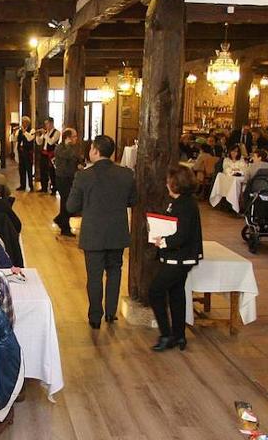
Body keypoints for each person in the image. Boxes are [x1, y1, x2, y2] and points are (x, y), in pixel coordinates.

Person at [67, 134, 136, 329]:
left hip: (93, 233)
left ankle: (95, 317)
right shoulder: (126, 174)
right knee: (115, 272)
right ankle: (111, 313)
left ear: (95, 151)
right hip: (117, 231)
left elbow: (71, 206)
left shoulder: (84, 175)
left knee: (94, 276)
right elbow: (133, 200)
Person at [148, 166, 202, 352]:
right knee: (176, 294)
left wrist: (162, 242)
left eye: (169, 181)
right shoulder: (179, 202)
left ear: (176, 184)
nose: (166, 184)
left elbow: (182, 235)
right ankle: (179, 335)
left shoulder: (185, 205)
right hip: (177, 257)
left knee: (155, 291)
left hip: (180, 257)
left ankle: (166, 334)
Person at [53, 128, 82, 237]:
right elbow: (68, 155)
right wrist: (69, 145)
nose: (76, 139)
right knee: (66, 202)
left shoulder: (72, 148)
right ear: (68, 138)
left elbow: (77, 158)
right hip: (62, 178)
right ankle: (64, 228)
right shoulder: (60, 148)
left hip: (70, 178)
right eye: (74, 136)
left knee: (68, 202)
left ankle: (60, 219)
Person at [36, 117, 60, 194]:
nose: (46, 125)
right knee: (43, 171)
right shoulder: (46, 133)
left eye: (47, 123)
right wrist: (37, 136)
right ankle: (44, 188)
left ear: (52, 123)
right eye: (45, 124)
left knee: (52, 172)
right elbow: (39, 142)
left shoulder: (57, 132)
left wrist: (44, 134)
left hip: (51, 155)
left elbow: (51, 142)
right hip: (43, 154)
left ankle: (54, 189)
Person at [16, 116, 36, 192]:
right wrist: (15, 133)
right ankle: (22, 185)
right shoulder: (21, 131)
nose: (22, 123)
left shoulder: (32, 130)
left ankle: (31, 186)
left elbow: (29, 138)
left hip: (28, 152)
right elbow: (17, 140)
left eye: (24, 122)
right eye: (22, 122)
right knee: (21, 169)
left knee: (29, 169)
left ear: (27, 122)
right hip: (21, 151)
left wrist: (24, 131)